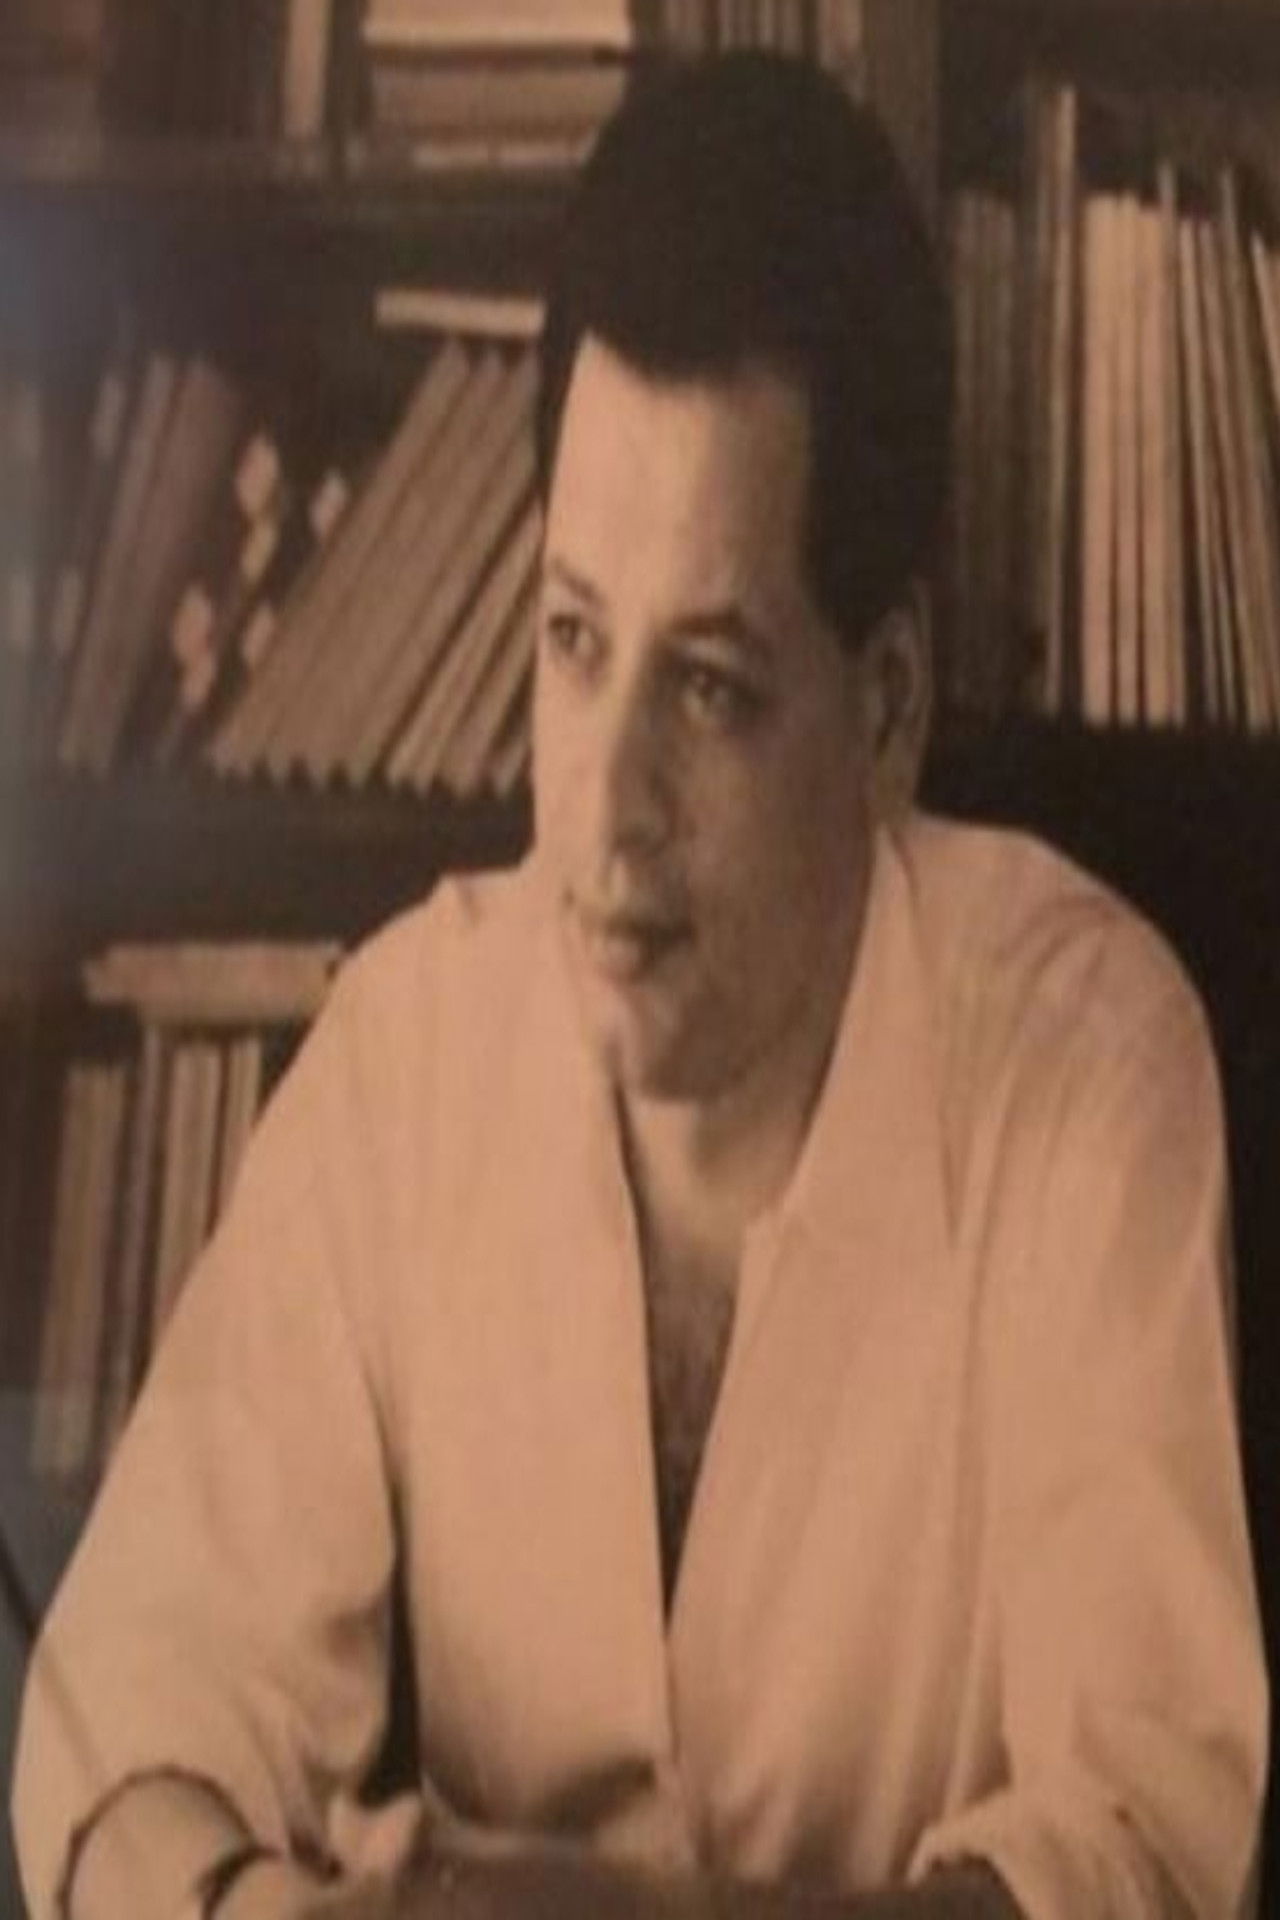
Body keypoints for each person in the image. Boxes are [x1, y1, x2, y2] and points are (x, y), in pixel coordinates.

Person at [12, 51, 1266, 1920]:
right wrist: (246, 1910)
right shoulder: (409, 1050)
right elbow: (124, 1723)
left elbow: (1141, 1853)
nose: (602, 810)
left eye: (709, 686)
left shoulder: (1087, 1060)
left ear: (889, 707)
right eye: (574, 642)